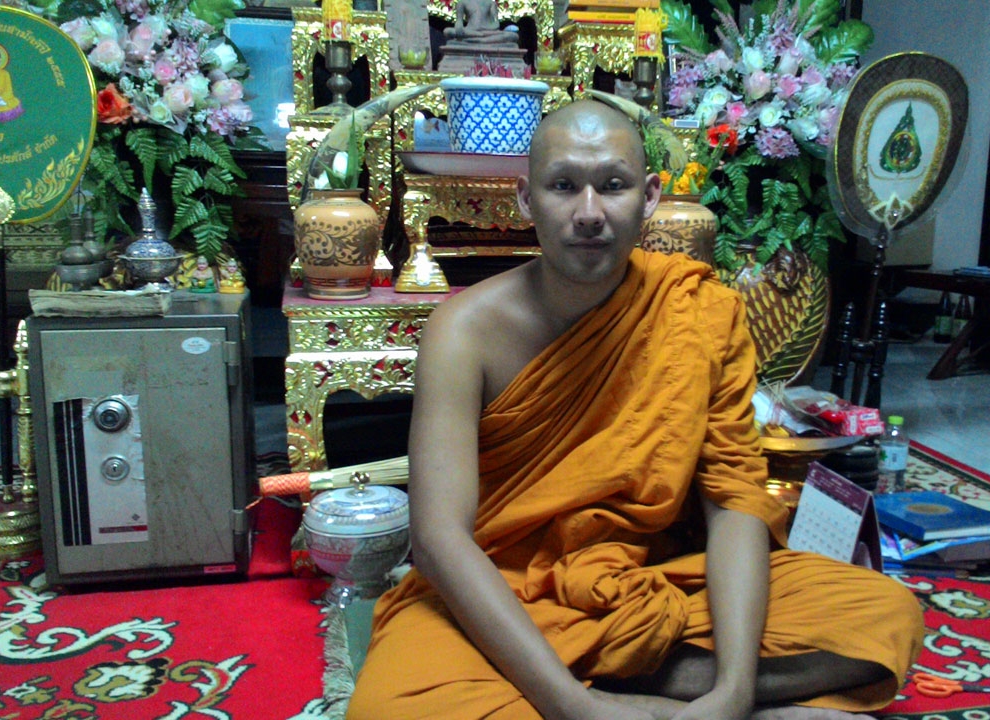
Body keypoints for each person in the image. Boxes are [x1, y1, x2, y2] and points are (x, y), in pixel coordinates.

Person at [347, 101, 924, 720]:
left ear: (649, 196)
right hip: (503, 588)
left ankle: (646, 691)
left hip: (651, 579)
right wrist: (572, 707)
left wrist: (733, 690)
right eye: (563, 186)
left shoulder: (699, 310)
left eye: (613, 185)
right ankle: (613, 694)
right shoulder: (463, 331)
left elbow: (733, 502)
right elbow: (439, 539)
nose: (589, 212)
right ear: (525, 199)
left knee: (885, 615)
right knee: (389, 711)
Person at [443, 0, 519, 46]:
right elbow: (459, 21)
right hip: (471, 31)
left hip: (488, 31)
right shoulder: (462, 2)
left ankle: (478, 40)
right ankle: (481, 38)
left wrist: (486, 29)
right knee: (447, 31)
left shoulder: (491, 3)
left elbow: (496, 24)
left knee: (513, 35)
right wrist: (459, 27)